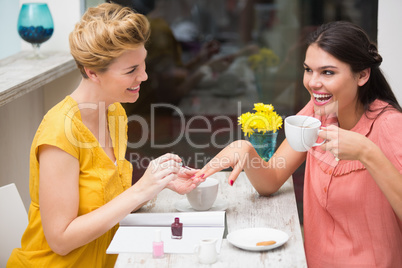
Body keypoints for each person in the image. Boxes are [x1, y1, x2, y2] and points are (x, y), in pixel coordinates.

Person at [7, 3, 202, 267]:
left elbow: (107, 207)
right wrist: (140, 190)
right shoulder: (60, 132)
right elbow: (61, 240)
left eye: (142, 64)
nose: (144, 76)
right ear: (92, 73)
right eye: (131, 70)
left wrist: (155, 183)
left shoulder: (115, 114)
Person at [195, 21, 402, 267]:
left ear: (363, 75)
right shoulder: (318, 114)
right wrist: (246, 150)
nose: (313, 83)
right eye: (308, 70)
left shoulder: (390, 125)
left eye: (328, 72)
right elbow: (270, 181)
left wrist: (367, 152)